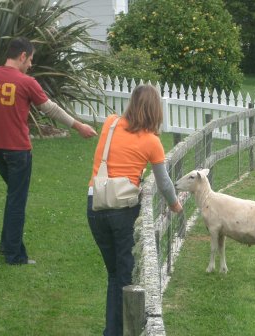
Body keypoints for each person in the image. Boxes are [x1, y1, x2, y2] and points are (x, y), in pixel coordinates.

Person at [0, 36, 97, 265]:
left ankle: (6, 245)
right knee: (17, 201)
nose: (30, 64)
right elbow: (51, 109)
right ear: (22, 56)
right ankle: (15, 256)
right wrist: (79, 126)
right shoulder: (26, 82)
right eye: (30, 60)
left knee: (13, 197)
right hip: (18, 151)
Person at [87, 84, 183, 336]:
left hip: (95, 204)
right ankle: (119, 331)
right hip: (122, 210)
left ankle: (112, 330)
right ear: (155, 110)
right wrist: (175, 205)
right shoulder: (152, 142)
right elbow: (163, 182)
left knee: (114, 273)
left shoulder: (109, 123)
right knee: (124, 276)